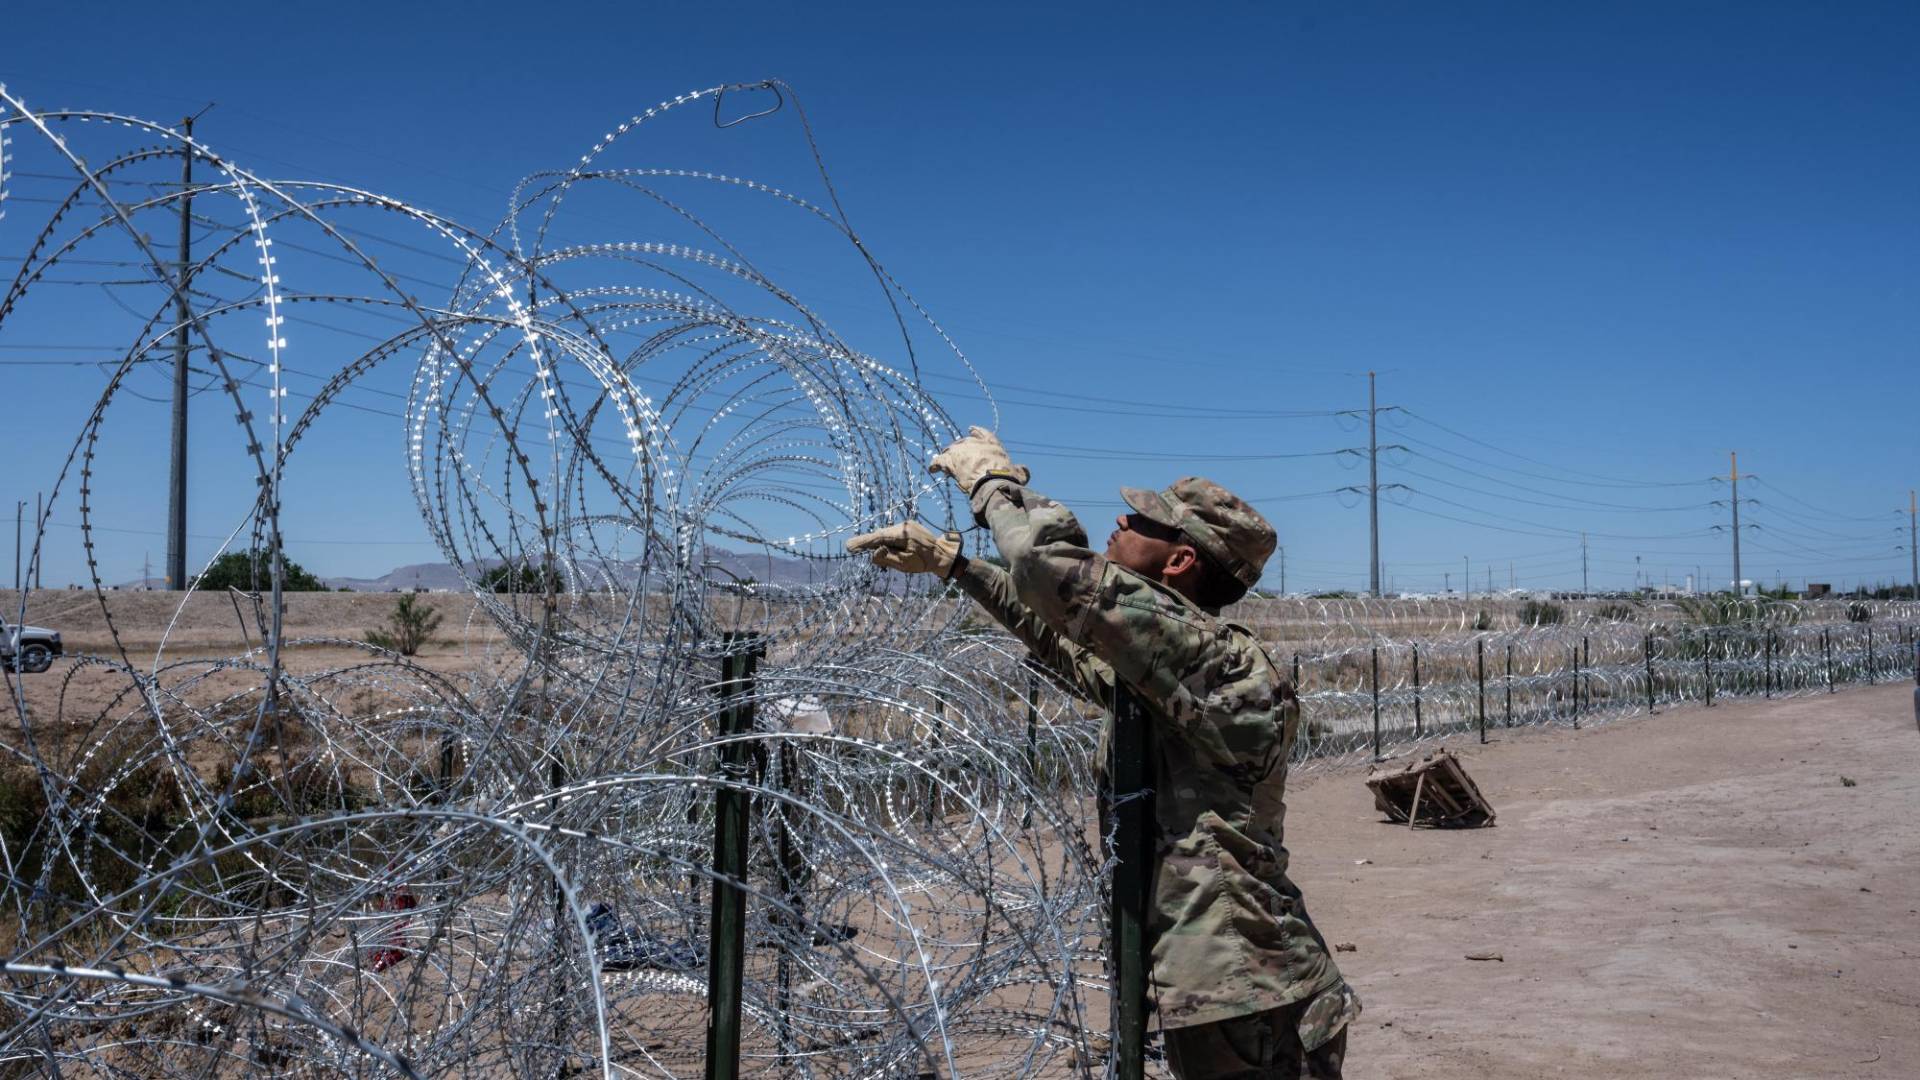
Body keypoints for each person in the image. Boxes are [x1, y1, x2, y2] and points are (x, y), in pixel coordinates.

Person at [848, 427, 1358, 1079]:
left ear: (1179, 562)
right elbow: (1063, 636)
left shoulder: (1221, 666)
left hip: (1254, 986)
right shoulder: (1166, 670)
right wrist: (957, 565)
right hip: (1227, 987)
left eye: (1143, 520)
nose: (1119, 520)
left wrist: (996, 490)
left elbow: (1048, 571)